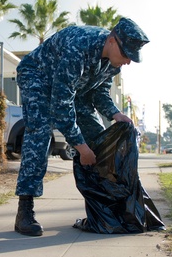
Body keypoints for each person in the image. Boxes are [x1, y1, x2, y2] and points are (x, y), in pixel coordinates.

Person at [13, 18, 149, 236]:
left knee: (98, 140)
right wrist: (80, 146)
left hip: (75, 88)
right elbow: (61, 104)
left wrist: (115, 114)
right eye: (126, 55)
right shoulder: (79, 48)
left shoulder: (113, 63)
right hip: (38, 77)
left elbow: (99, 93)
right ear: (113, 41)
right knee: (40, 133)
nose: (128, 62)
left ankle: (102, 211)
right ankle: (25, 210)